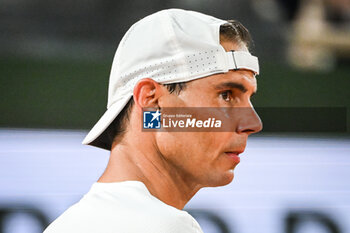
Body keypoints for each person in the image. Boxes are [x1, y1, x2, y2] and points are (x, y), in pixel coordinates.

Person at [44, 8, 262, 233]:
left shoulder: (64, 226)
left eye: (248, 99)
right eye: (226, 95)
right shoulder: (166, 227)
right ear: (151, 101)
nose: (252, 124)